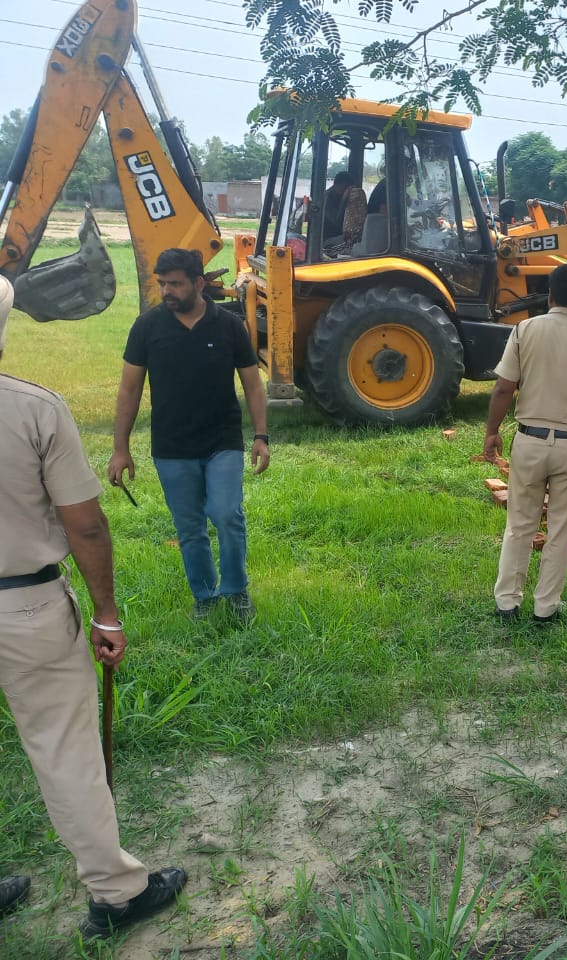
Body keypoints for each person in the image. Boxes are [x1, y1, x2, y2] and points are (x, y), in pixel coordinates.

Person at [0, 275, 187, 939]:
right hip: (24, 605)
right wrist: (106, 613)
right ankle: (115, 893)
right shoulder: (33, 409)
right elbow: (84, 525)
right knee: (65, 753)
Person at [107, 249, 270, 623]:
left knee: (227, 514)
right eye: (162, 283)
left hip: (222, 440)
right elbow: (129, 390)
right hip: (172, 446)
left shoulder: (229, 326)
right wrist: (120, 448)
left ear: (198, 283)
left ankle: (236, 590)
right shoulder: (147, 328)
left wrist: (261, 436)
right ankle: (205, 597)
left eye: (175, 284)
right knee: (190, 528)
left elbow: (253, 385)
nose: (166, 291)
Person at [484, 263, 567, 623]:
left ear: (550, 295)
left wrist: (492, 431)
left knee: (520, 525)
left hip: (529, 441)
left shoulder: (524, 330)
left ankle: (507, 603)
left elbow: (504, 388)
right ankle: (546, 608)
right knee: (561, 530)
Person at [321, 171, 366, 254]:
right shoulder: (327, 198)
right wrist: (344, 199)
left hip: (336, 235)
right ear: (339, 185)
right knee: (353, 242)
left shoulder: (339, 195)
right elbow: (336, 223)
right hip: (325, 240)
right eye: (347, 189)